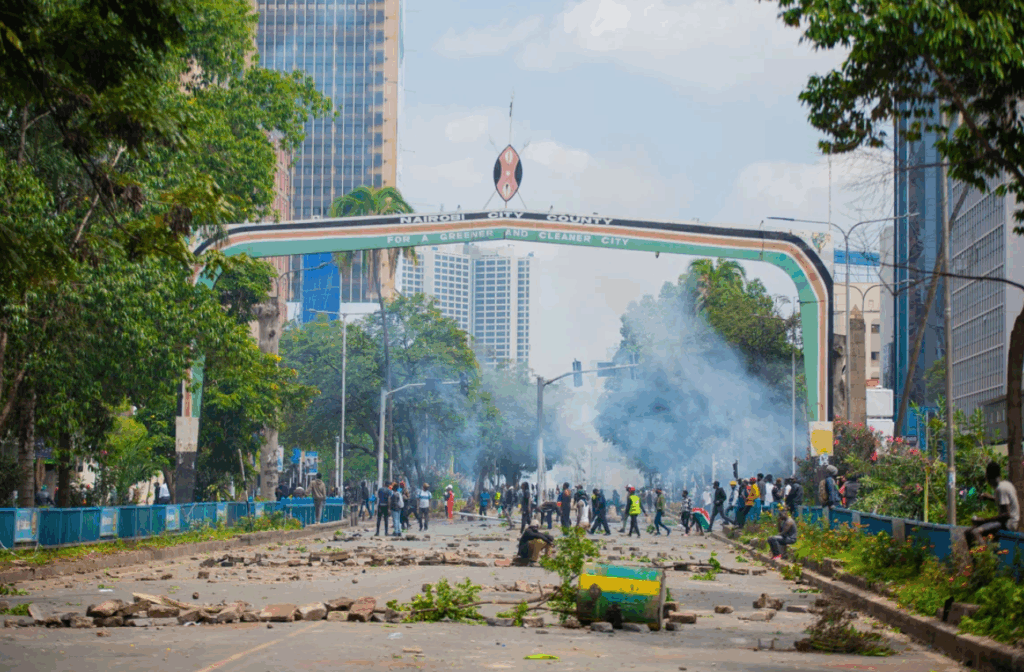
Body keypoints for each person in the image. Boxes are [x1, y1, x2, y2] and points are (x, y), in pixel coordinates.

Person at [967, 461, 1021, 549]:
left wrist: (983, 521)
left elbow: (1006, 515)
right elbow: (1005, 502)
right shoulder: (1006, 484)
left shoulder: (1001, 489)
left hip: (1009, 524)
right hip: (1013, 520)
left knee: (975, 532)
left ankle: (985, 558)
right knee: (971, 531)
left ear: (988, 476)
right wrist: (990, 498)